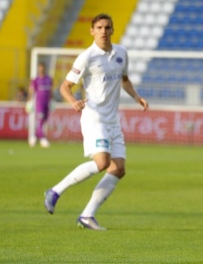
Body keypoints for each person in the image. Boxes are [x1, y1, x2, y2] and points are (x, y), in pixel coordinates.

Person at [43, 13, 149, 230]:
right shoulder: (87, 57)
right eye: (99, 27)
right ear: (92, 31)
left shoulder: (121, 53)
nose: (103, 31)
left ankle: (87, 216)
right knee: (102, 162)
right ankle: (55, 191)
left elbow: (125, 79)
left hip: (113, 121)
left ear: (112, 30)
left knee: (118, 169)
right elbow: (65, 86)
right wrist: (73, 101)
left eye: (107, 27)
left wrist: (137, 97)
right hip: (94, 118)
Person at [27, 62, 54, 147]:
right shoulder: (35, 80)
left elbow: (51, 91)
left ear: (44, 68)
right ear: (38, 68)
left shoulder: (49, 79)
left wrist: (52, 100)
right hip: (39, 103)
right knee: (41, 120)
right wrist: (29, 102)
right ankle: (42, 138)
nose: (41, 69)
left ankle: (34, 137)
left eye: (43, 67)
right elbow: (31, 91)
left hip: (47, 103)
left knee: (45, 120)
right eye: (40, 67)